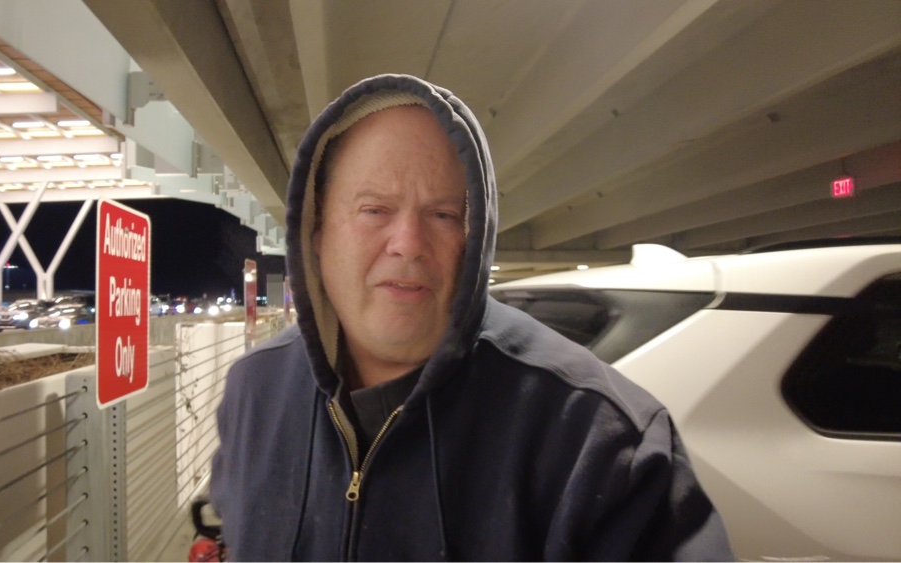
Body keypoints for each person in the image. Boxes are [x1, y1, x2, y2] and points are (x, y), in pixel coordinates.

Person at [210, 74, 733, 561]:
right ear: (317, 233)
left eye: (443, 215)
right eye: (374, 210)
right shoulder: (254, 391)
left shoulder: (603, 442)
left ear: (474, 239)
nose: (408, 243)